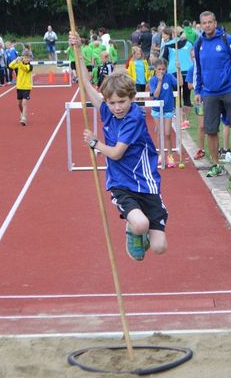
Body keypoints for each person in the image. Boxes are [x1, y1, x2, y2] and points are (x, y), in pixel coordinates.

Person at [69, 32, 168, 261]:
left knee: (160, 247)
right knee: (141, 224)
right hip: (121, 183)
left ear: (132, 98)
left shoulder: (134, 118)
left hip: (147, 183)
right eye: (112, 103)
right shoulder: (107, 109)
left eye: (122, 102)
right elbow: (85, 83)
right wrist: (78, 52)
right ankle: (133, 227)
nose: (117, 108)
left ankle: (137, 229)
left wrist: (94, 143)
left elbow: (115, 153)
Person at [194, 11, 231, 177]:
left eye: (210, 22)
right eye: (204, 23)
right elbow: (198, 67)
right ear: (201, 25)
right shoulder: (199, 42)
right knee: (210, 130)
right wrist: (197, 89)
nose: (207, 25)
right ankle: (215, 164)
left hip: (230, 89)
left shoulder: (226, 39)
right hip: (209, 92)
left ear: (215, 23)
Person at [150, 57, 181, 168]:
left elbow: (180, 84)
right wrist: (159, 82)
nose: (161, 71)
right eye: (159, 69)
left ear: (166, 69)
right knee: (159, 132)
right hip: (157, 109)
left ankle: (170, 155)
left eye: (163, 69)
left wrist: (178, 70)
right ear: (155, 69)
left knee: (167, 133)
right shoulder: (153, 80)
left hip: (168, 109)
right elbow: (156, 95)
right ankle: (160, 154)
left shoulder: (169, 77)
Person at [161, 27, 193, 130]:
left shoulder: (168, 45)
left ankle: (181, 120)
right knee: (187, 96)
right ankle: (186, 120)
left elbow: (164, 60)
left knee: (176, 97)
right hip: (188, 71)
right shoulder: (189, 43)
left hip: (174, 71)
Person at [9, 51, 33, 126]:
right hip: (19, 86)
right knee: (19, 103)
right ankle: (23, 113)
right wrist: (16, 60)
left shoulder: (30, 66)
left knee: (24, 102)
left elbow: (24, 68)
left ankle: (24, 118)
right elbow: (10, 66)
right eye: (25, 58)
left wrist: (19, 62)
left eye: (28, 58)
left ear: (30, 59)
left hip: (26, 87)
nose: (26, 59)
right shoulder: (19, 64)